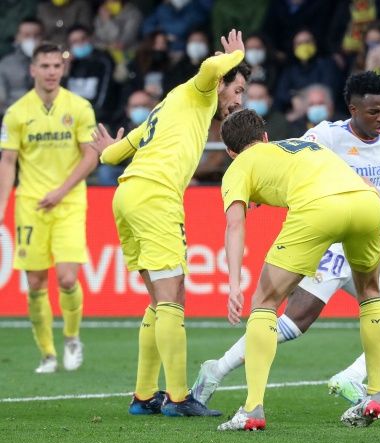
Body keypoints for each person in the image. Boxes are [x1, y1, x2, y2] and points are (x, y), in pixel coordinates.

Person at [191, 71, 380, 410]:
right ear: (353, 109)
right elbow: (288, 162)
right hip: (326, 238)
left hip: (364, 228)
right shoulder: (325, 135)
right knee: (294, 321)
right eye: (374, 112)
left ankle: (352, 375)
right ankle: (218, 370)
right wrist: (256, 185)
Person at [215, 110, 380, 431]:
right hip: (366, 204)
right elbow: (366, 185)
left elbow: (235, 224)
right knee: (371, 293)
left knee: (264, 302)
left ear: (230, 152)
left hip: (319, 208)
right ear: (265, 137)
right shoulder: (305, 145)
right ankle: (376, 394)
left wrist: (234, 284)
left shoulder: (239, 166)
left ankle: (252, 409)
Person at [90, 29, 249, 417]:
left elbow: (119, 151)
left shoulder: (169, 106)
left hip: (128, 195)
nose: (239, 100)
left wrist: (107, 150)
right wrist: (235, 56)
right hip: (155, 197)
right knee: (173, 297)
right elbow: (209, 67)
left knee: (159, 301)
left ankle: (145, 395)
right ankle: (178, 397)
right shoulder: (199, 91)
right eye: (238, 90)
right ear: (221, 84)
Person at [0, 42, 98, 374]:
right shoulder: (16, 113)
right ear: (33, 70)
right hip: (31, 205)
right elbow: (8, 161)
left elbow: (91, 155)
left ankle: (71, 337)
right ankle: (47, 354)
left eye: (57, 65)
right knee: (36, 283)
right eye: (45, 66)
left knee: (67, 278)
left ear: (63, 69)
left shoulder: (79, 107)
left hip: (69, 202)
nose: (51, 71)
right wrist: (1, 206)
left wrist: (61, 191)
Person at [66, 25, 116, 123]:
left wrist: (91, 116)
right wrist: (65, 71)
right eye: (75, 41)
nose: (80, 43)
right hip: (71, 118)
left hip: (97, 118)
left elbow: (105, 93)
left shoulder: (103, 60)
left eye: (83, 39)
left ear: (90, 39)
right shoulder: (68, 64)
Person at [0, 17, 43, 115]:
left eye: (36, 35)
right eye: (26, 35)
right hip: (14, 116)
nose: (32, 39)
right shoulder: (6, 64)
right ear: (18, 37)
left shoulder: (53, 63)